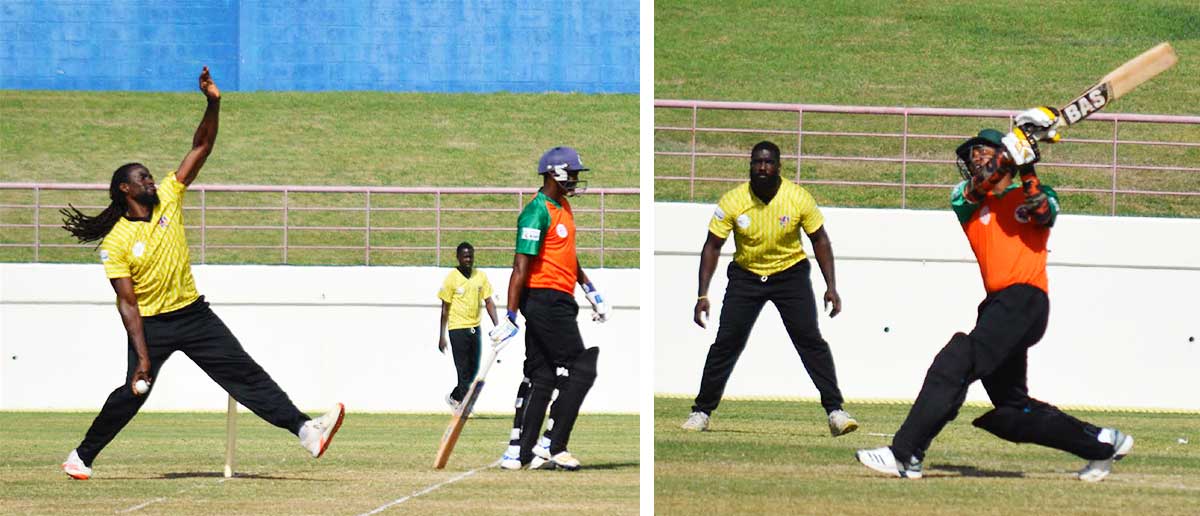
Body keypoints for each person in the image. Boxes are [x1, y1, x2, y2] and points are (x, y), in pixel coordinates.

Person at [57, 67, 344, 480]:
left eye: (150, 174)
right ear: (124, 188)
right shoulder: (116, 242)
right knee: (132, 393)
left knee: (245, 373)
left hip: (194, 315)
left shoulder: (170, 197)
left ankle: (305, 431)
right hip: (151, 326)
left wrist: (213, 102)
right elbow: (128, 303)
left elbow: (202, 145)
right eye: (141, 177)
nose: (150, 179)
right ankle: (81, 456)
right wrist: (142, 357)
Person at [856, 107, 1133, 482]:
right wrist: (1014, 146)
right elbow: (985, 182)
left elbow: (1042, 214)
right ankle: (1102, 444)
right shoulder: (966, 201)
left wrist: (1028, 161)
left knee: (955, 359)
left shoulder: (1035, 193)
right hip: (997, 308)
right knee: (1012, 410)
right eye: (972, 155)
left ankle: (905, 454)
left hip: (1025, 300)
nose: (975, 159)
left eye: (982, 151)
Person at [682, 140, 858, 437]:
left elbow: (820, 241)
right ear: (750, 165)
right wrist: (702, 294)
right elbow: (712, 246)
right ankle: (701, 412)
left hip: (790, 274)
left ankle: (836, 412)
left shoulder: (798, 197)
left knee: (810, 341)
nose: (762, 167)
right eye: (757, 162)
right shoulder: (733, 200)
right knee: (726, 343)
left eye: (768, 162)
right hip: (746, 276)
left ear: (779, 166)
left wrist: (832, 287)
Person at [489, 146, 610, 471]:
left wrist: (588, 288)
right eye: (571, 173)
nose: (574, 179)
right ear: (553, 173)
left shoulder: (564, 207)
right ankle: (553, 444)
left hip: (561, 298)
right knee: (582, 368)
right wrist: (511, 315)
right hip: (544, 299)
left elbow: (567, 254)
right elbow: (520, 267)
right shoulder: (536, 212)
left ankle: (519, 453)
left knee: (542, 375)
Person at [437, 241, 499, 411]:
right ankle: (465, 407)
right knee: (463, 369)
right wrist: (442, 336)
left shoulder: (480, 276)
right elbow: (444, 310)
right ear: (458, 258)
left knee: (473, 369)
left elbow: (489, 302)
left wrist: (498, 326)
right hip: (457, 328)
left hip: (474, 328)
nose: (468, 259)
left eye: (470, 256)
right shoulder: (451, 278)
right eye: (465, 256)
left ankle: (455, 397)